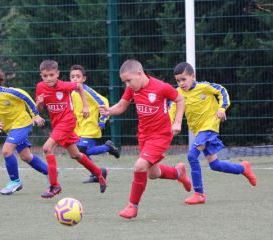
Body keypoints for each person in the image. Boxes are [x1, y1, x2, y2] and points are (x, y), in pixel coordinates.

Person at [99, 59, 191, 219]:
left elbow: (180, 99)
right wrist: (108, 111)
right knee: (153, 173)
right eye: (124, 82)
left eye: (129, 80)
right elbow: (121, 106)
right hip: (144, 136)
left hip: (161, 135)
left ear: (139, 73)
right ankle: (178, 173)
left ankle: (132, 206)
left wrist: (177, 122)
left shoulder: (161, 87)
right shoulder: (132, 89)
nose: (127, 85)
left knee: (139, 167)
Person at [169, 62, 257, 205]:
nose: (181, 83)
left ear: (193, 76)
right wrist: (170, 124)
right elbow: (172, 110)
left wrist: (222, 108)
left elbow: (222, 91)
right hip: (199, 132)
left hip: (210, 127)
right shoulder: (178, 94)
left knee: (192, 155)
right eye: (178, 80)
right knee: (215, 164)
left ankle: (199, 194)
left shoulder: (204, 87)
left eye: (183, 79)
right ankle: (243, 168)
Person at [35, 59, 108, 198]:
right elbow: (39, 109)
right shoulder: (40, 87)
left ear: (57, 74)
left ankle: (54, 185)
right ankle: (99, 173)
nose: (49, 78)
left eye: (51, 75)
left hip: (68, 122)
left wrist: (86, 107)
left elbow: (80, 87)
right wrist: (39, 103)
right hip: (57, 124)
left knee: (47, 148)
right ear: (41, 76)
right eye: (45, 76)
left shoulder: (64, 86)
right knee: (76, 155)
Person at [0, 66, 48, 195]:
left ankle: (15, 181)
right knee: (26, 156)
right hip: (11, 129)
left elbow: (25, 97)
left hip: (22, 123)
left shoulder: (9, 92)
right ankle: (50, 172)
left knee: (6, 150)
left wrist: (35, 114)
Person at [69, 64, 120, 184]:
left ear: (84, 79)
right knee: (79, 153)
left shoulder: (87, 91)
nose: (75, 79)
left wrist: (102, 120)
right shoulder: (72, 93)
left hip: (90, 126)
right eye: (72, 77)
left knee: (81, 151)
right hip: (78, 128)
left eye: (78, 76)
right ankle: (97, 173)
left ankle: (107, 147)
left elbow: (103, 101)